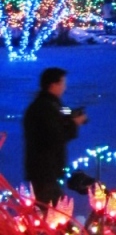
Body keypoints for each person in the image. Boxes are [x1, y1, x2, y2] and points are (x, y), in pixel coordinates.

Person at [23, 67, 87, 206]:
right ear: (53, 85)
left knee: (53, 208)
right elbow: (55, 136)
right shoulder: (45, 108)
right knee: (53, 211)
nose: (65, 87)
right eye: (62, 83)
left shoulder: (52, 104)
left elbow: (65, 112)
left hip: (47, 169)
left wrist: (73, 116)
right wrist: (74, 123)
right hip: (44, 170)